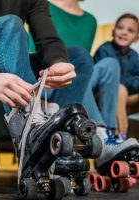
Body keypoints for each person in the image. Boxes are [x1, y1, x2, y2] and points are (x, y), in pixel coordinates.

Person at [0, 0, 95, 192]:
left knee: (79, 58)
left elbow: (48, 39)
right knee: (11, 24)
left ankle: (57, 149)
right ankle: (33, 131)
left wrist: (57, 62)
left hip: (4, 57)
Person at [29, 0, 139, 170]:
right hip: (48, 76)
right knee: (78, 69)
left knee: (109, 64)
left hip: (76, 76)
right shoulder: (42, 6)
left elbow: (86, 64)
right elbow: (34, 52)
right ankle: (102, 136)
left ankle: (108, 135)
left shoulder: (90, 21)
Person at [94, 13, 139, 141]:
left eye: (130, 30)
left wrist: (133, 82)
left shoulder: (134, 56)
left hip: (126, 97)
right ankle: (119, 135)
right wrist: (133, 82)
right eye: (120, 28)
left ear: (136, 38)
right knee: (120, 89)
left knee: (123, 90)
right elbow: (110, 82)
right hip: (102, 94)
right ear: (113, 32)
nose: (124, 32)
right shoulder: (105, 50)